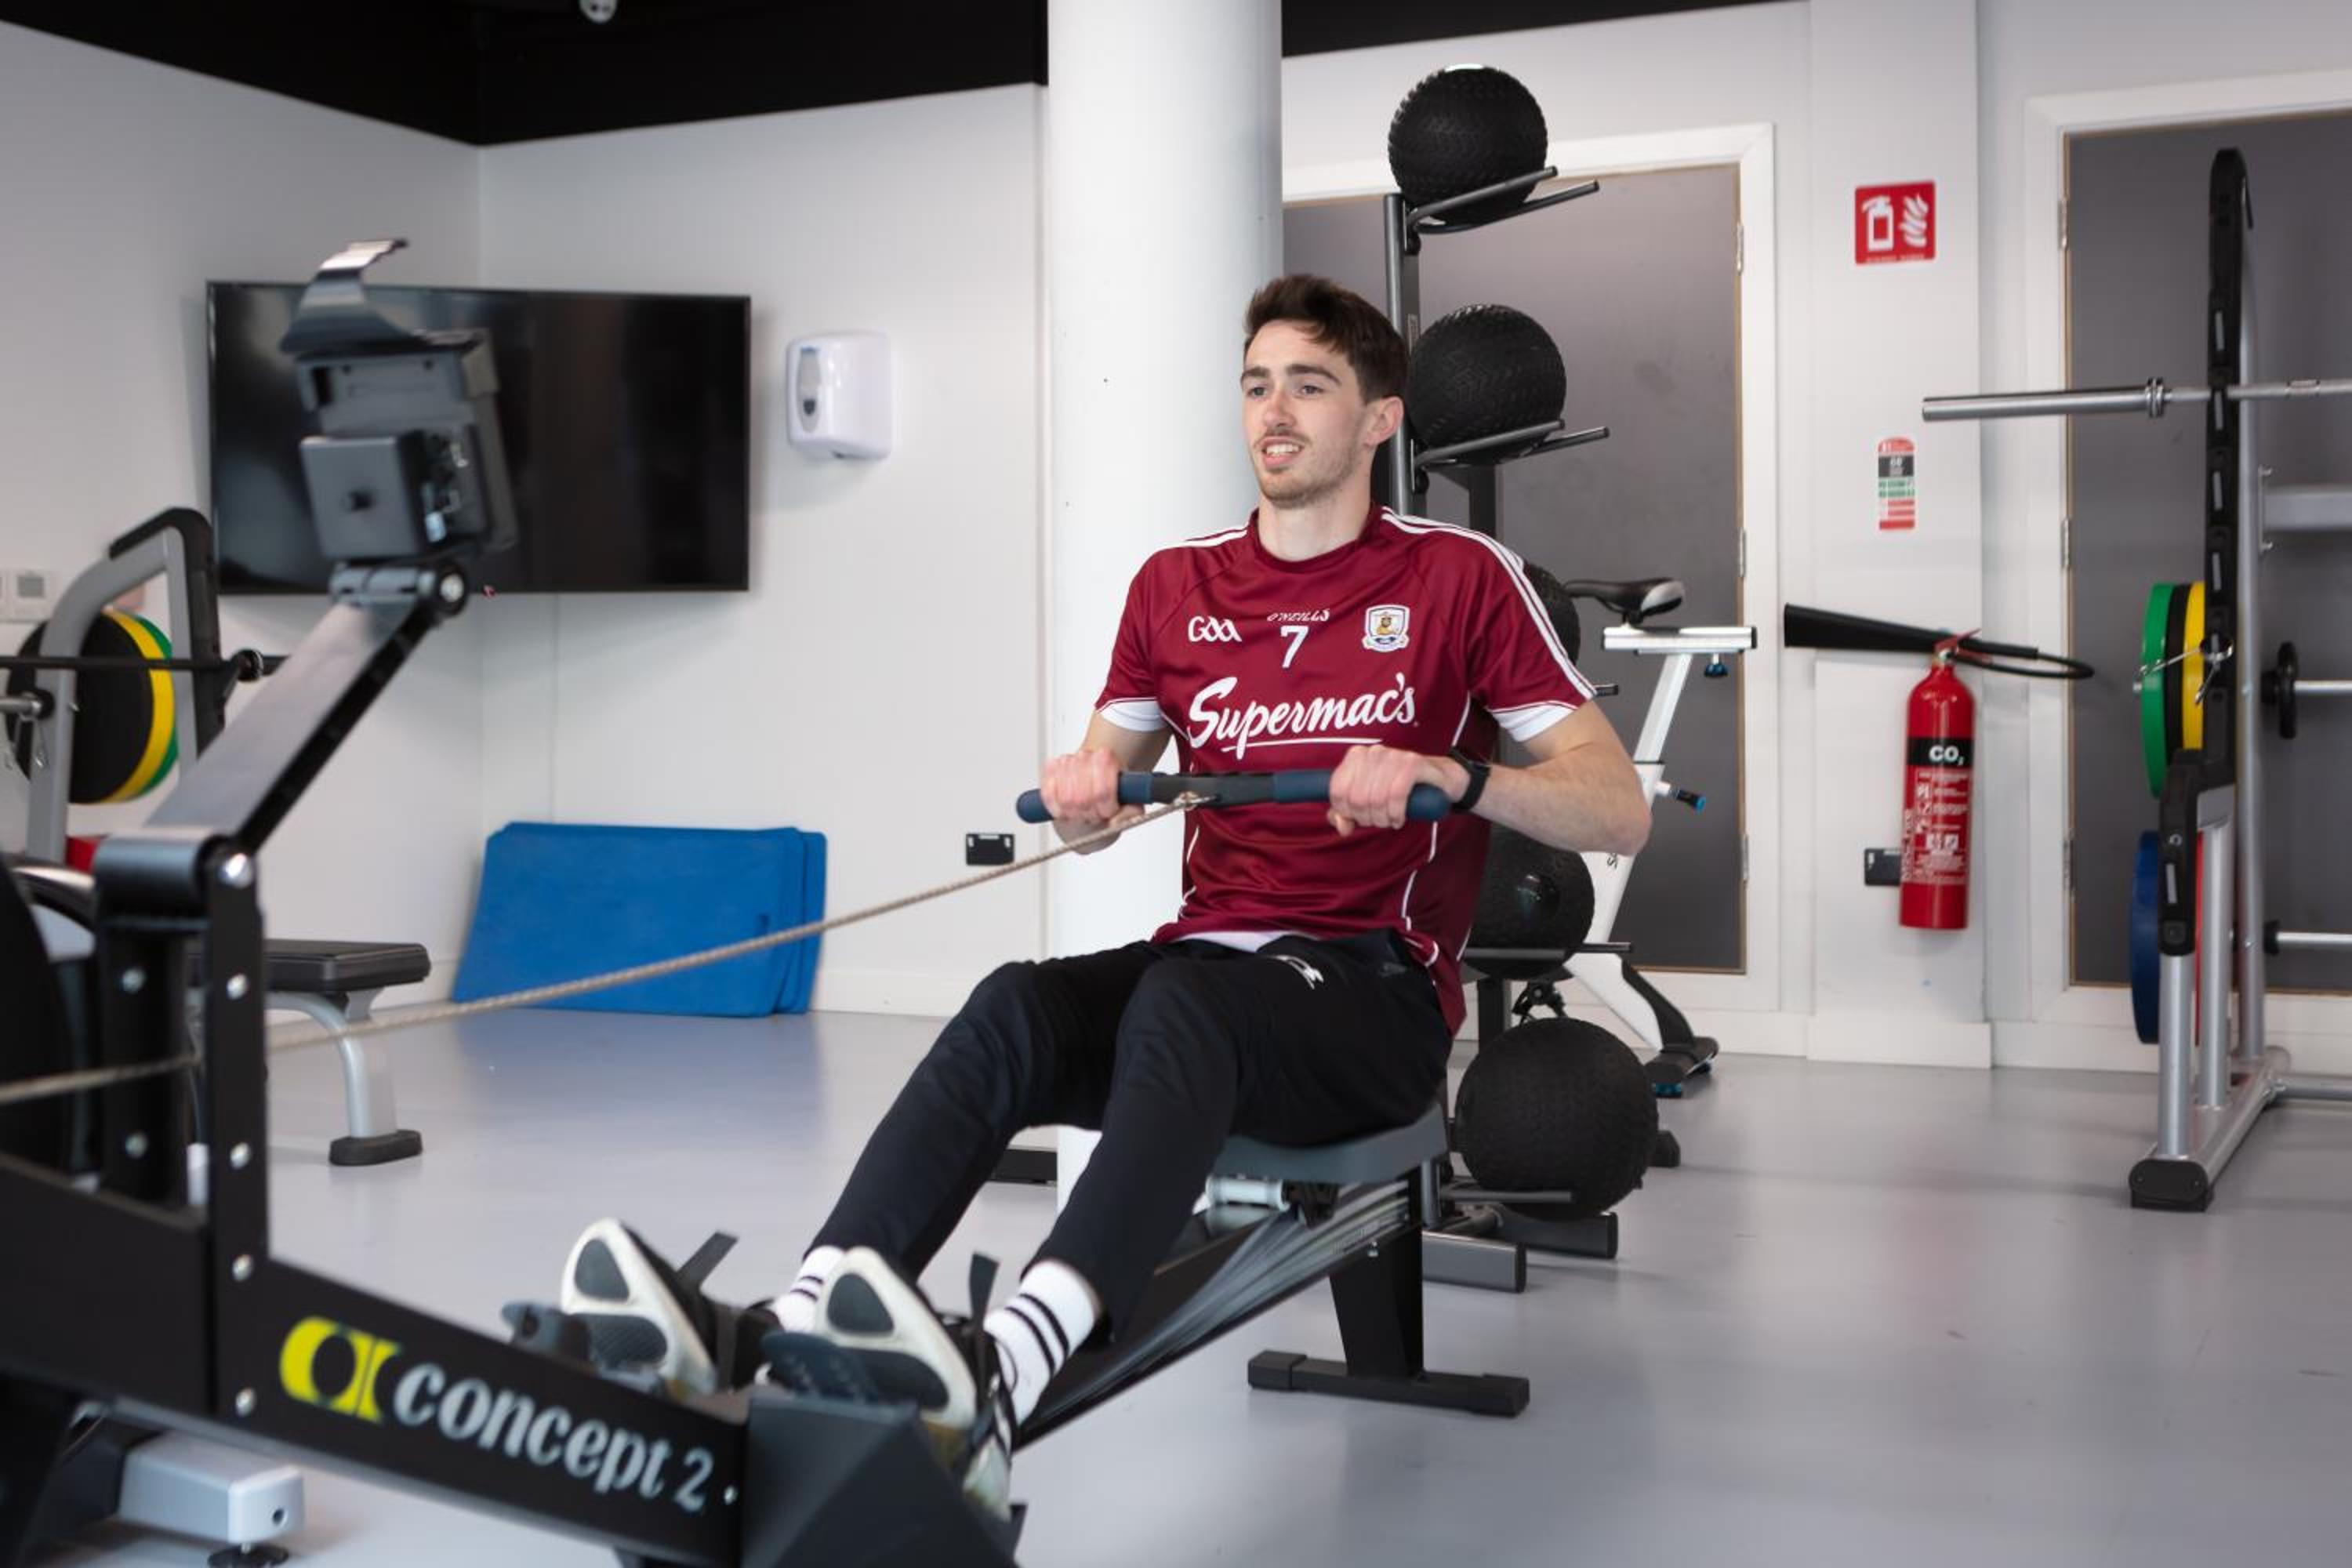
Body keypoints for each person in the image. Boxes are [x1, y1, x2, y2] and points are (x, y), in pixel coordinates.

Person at [558, 273, 1650, 1516]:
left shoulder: (1460, 578)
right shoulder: (1175, 587)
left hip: (1372, 990)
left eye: (1309, 386)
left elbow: (1615, 809)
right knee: (1014, 1006)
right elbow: (1095, 802)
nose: (1274, 412)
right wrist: (1082, 796)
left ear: (1380, 421)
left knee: (1186, 1002)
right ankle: (797, 1322)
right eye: (1256, 385)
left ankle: (1013, 1363)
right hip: (1210, 972)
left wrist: (1455, 777)